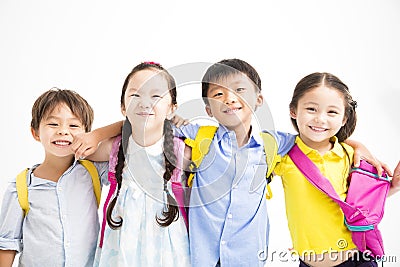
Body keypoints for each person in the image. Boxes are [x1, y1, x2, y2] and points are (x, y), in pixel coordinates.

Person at [75, 59, 385, 267]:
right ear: (208, 108)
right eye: (218, 94)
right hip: (201, 257)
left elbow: (318, 139)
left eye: (240, 91)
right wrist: (101, 132)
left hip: (248, 258)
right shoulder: (196, 136)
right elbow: (148, 119)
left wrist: (356, 144)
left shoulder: (274, 144)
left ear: (258, 100)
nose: (230, 99)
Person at [273, 72, 400, 267]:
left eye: (331, 112)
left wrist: (395, 186)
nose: (320, 119)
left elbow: (364, 202)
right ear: (293, 111)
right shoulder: (282, 156)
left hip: (357, 259)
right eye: (311, 109)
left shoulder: (352, 155)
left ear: (344, 118)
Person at [79, 62, 190, 266]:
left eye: (156, 96)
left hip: (167, 249)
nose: (145, 103)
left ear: (172, 108)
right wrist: (98, 134)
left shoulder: (182, 149)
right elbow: (80, 149)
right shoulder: (116, 148)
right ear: (123, 106)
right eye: (135, 95)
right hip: (120, 246)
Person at [0, 88, 110, 267]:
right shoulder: (20, 187)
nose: (63, 131)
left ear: (86, 133)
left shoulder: (94, 171)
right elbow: (6, 244)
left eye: (73, 126)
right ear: (35, 132)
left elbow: (131, 138)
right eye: (53, 124)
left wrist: (97, 136)